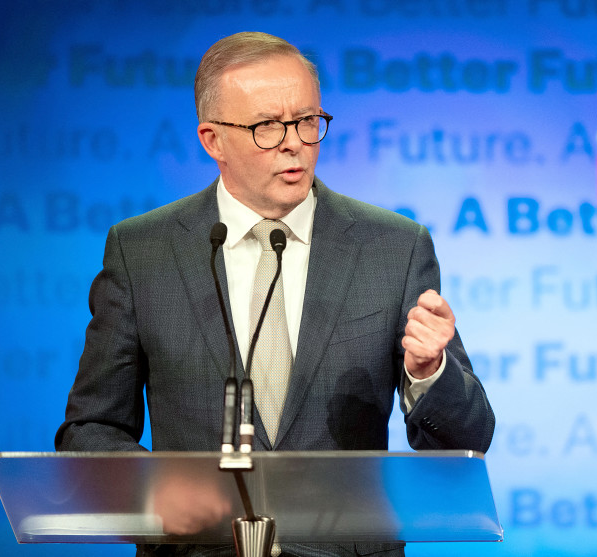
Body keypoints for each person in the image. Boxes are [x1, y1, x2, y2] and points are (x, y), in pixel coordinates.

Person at [56, 31, 494, 557]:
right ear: (213, 140)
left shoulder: (393, 248)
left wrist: (429, 373)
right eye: (267, 126)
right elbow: (90, 428)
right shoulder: (142, 251)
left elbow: (466, 442)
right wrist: (152, 488)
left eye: (307, 120)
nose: (294, 142)